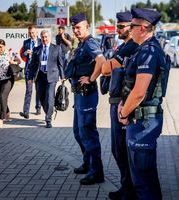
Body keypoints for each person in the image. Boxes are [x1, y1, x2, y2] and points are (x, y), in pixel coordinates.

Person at [118, 8, 166, 200]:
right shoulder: (144, 49)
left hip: (143, 123)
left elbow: (139, 92)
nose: (130, 29)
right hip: (140, 122)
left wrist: (123, 114)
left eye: (133, 26)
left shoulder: (149, 51)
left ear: (144, 28)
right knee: (143, 178)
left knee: (144, 182)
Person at [102, 11, 139, 200]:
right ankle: (127, 188)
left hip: (122, 104)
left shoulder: (130, 47)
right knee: (118, 150)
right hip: (116, 102)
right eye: (117, 26)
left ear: (132, 28)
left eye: (122, 26)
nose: (118, 29)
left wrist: (106, 64)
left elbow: (106, 68)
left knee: (122, 150)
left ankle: (130, 191)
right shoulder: (123, 46)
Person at [67, 13, 106, 185]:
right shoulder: (81, 44)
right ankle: (87, 163)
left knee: (88, 132)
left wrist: (91, 78)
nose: (75, 30)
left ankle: (96, 172)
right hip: (79, 94)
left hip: (87, 94)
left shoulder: (90, 42)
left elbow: (101, 61)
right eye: (74, 28)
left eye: (78, 27)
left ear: (87, 27)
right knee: (78, 131)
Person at [28, 30, 65, 128]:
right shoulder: (36, 49)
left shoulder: (56, 48)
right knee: (41, 96)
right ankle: (50, 109)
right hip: (40, 76)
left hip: (52, 76)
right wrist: (30, 77)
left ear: (49, 37)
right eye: (42, 37)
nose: (44, 39)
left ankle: (48, 119)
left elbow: (60, 63)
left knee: (49, 96)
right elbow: (32, 65)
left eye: (46, 37)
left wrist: (62, 76)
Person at [0, 39, 21, 128]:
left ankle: (1, 120)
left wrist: (13, 62)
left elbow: (18, 61)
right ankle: (7, 112)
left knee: (2, 96)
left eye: (1, 47)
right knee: (1, 99)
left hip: (8, 79)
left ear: (4, 46)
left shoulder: (9, 53)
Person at [19, 25, 42, 119]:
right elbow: (22, 54)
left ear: (36, 32)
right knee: (29, 90)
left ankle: (38, 107)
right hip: (29, 69)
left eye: (33, 32)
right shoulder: (26, 42)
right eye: (30, 33)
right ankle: (26, 112)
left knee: (38, 89)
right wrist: (25, 53)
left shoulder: (41, 41)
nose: (31, 34)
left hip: (39, 69)